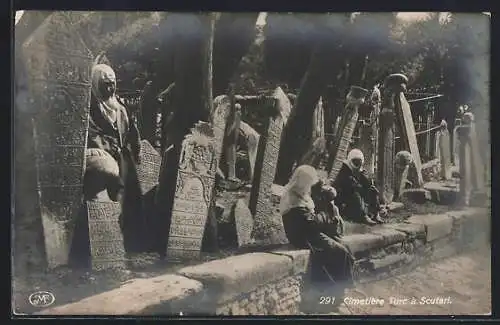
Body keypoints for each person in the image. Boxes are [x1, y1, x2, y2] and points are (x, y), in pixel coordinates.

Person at [86, 64, 145, 254]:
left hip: (124, 159)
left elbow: (131, 130)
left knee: (128, 199)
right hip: (104, 159)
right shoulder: (91, 108)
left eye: (112, 84)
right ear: (96, 84)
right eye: (105, 85)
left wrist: (136, 148)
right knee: (109, 199)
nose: (109, 89)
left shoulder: (119, 106)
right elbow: (92, 134)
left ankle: (130, 243)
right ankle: (108, 243)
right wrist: (109, 148)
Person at [280, 165, 355, 311]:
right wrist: (327, 216)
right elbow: (311, 223)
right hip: (302, 235)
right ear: (303, 182)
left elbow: (313, 215)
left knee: (346, 248)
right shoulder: (292, 198)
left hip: (309, 231)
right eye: (309, 183)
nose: (310, 187)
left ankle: (340, 291)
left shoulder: (301, 192)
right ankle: (333, 296)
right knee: (338, 251)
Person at [333, 149, 385, 225]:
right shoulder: (344, 169)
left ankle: (376, 214)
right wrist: (359, 186)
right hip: (344, 198)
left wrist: (366, 180)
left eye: (359, 162)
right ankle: (364, 216)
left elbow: (367, 184)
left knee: (373, 190)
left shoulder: (360, 171)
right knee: (355, 194)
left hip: (356, 193)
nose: (357, 164)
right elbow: (348, 185)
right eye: (355, 161)